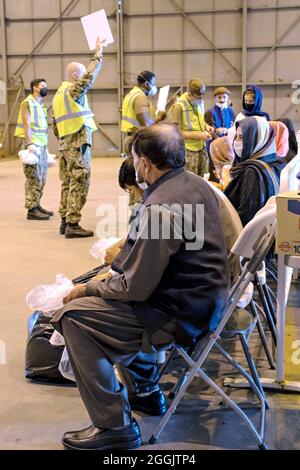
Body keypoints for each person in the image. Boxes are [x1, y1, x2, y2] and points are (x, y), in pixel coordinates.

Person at [51, 123, 230, 450]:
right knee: (105, 303)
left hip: (180, 315)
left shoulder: (161, 206)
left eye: (134, 159)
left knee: (75, 317)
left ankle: (114, 427)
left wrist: (88, 289)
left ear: (145, 163)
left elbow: (135, 288)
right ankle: (145, 392)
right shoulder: (196, 185)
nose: (134, 166)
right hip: (207, 300)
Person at [53, 38, 104, 238]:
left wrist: (64, 139)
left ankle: (65, 221)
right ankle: (73, 224)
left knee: (67, 183)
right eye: (80, 75)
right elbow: (89, 77)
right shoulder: (72, 89)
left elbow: (54, 122)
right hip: (77, 143)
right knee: (80, 181)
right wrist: (98, 53)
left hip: (65, 144)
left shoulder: (59, 94)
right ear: (76, 75)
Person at [224, 117, 286, 226]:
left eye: (242, 138)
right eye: (236, 137)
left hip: (242, 235)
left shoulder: (252, 172)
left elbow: (245, 216)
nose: (236, 142)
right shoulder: (277, 163)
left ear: (256, 139)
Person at [15, 78, 52, 220]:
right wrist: (29, 144)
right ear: (35, 88)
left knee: (41, 178)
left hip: (41, 146)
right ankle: (31, 209)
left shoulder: (40, 105)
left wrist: (45, 148)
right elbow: (26, 124)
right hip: (32, 146)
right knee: (33, 178)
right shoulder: (28, 103)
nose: (45, 88)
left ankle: (36, 204)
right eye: (43, 86)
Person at [171, 79, 214, 177]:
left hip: (201, 147)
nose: (201, 99)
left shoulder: (197, 102)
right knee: (189, 181)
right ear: (190, 94)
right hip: (188, 151)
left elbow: (199, 120)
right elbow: (175, 133)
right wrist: (199, 135)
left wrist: (206, 127)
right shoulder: (179, 106)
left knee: (203, 180)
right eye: (199, 97)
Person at [121, 70, 166, 139]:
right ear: (146, 84)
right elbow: (146, 124)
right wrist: (160, 117)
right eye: (153, 84)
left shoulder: (132, 94)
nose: (154, 87)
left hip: (132, 136)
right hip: (139, 139)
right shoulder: (140, 97)